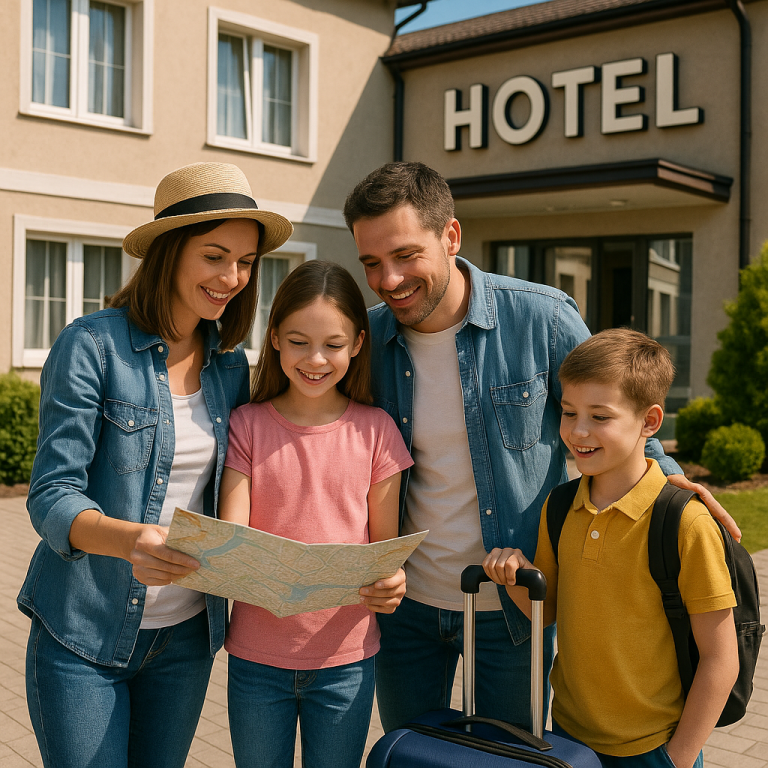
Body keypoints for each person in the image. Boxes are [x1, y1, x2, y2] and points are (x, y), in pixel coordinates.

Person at [342, 160, 738, 733]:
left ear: (451, 236)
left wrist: (674, 487)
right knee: (412, 754)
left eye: (405, 256)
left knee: (514, 757)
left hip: (514, 604)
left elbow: (613, 409)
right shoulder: (369, 340)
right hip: (406, 610)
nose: (388, 280)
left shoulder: (541, 316)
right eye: (372, 263)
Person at [17, 162, 293, 768]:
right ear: (170, 253)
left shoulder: (228, 365)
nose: (232, 278)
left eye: (245, 262)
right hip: (83, 633)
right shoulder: (92, 346)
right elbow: (51, 494)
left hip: (186, 640)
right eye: (215, 256)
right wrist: (129, 540)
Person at [483, 329, 738, 768]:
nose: (578, 431)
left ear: (650, 422)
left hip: (654, 749)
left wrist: (676, 759)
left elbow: (721, 660)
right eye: (568, 413)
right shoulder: (561, 505)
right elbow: (550, 611)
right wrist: (515, 576)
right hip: (567, 738)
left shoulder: (686, 523)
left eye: (600, 417)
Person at [218, 260, 414, 768]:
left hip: (345, 660)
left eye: (333, 344)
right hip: (256, 658)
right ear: (276, 338)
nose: (316, 358)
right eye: (300, 340)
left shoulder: (378, 432)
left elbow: (385, 555)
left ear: (357, 345)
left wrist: (391, 583)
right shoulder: (246, 424)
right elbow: (234, 538)